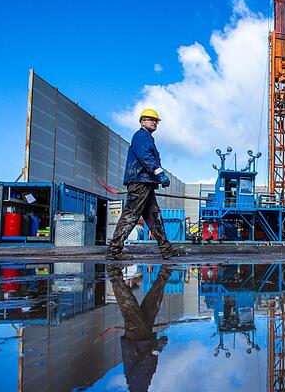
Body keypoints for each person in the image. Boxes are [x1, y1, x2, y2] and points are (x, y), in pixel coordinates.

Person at [107, 109, 177, 260]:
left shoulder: (146, 137)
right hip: (140, 182)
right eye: (150, 119)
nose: (154, 122)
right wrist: (159, 173)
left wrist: (157, 178)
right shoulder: (141, 136)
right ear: (142, 121)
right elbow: (145, 156)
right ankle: (114, 251)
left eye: (156, 121)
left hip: (146, 182)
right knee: (131, 215)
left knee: (154, 216)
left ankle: (166, 249)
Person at [108, 264, 172, 391]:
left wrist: (155, 351)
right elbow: (147, 368)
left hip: (137, 341)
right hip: (143, 341)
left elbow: (140, 369)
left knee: (129, 306)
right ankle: (166, 270)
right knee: (151, 304)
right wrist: (155, 350)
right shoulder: (139, 386)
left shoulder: (138, 387)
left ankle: (114, 274)